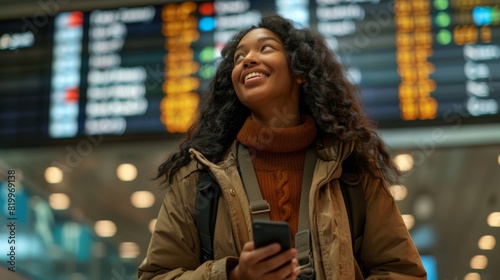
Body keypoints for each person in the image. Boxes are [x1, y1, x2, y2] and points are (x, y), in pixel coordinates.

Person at [138, 14, 427, 279]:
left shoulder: (351, 168)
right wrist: (234, 275)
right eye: (239, 57)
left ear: (300, 72)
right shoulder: (198, 177)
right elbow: (155, 276)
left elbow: (402, 271)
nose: (247, 60)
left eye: (265, 49)